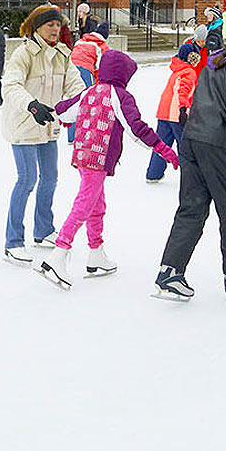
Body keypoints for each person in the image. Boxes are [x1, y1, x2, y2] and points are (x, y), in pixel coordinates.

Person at [152, 7, 226, 304]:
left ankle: (170, 273)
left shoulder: (213, 65)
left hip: (193, 140)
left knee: (191, 208)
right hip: (216, 146)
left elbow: (215, 108)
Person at [32, 50, 180, 288]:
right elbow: (137, 129)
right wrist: (165, 150)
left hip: (82, 155)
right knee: (84, 204)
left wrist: (48, 110)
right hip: (98, 159)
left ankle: (96, 253)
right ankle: (57, 256)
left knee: (96, 205)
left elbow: (65, 112)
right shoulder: (120, 96)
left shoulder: (90, 91)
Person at [0, 5, 79, 264]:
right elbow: (10, 86)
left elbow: (75, 85)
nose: (55, 29)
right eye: (50, 25)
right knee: (27, 180)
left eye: (58, 25)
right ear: (37, 27)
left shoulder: (62, 55)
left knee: (50, 178)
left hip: (48, 126)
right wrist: (31, 105)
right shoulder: (24, 54)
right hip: (24, 125)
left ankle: (43, 229)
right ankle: (13, 242)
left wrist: (90, 100)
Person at [148, 42, 200, 184]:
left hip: (163, 112)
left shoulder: (176, 70)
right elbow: (182, 91)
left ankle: (154, 173)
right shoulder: (188, 72)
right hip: (176, 114)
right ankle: (190, 176)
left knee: (162, 144)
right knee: (184, 145)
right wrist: (183, 108)